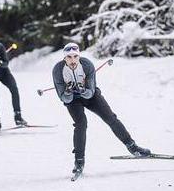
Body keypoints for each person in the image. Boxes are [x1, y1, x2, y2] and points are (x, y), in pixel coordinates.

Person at [52, 42, 151, 174]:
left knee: (111, 118)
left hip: (91, 96)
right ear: (64, 58)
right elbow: (63, 98)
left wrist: (82, 89)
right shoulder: (58, 70)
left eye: (75, 56)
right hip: (73, 101)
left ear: (79, 56)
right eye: (69, 57)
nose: (73, 60)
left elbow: (90, 92)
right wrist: (69, 92)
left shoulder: (87, 65)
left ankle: (133, 147)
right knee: (81, 124)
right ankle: (79, 161)